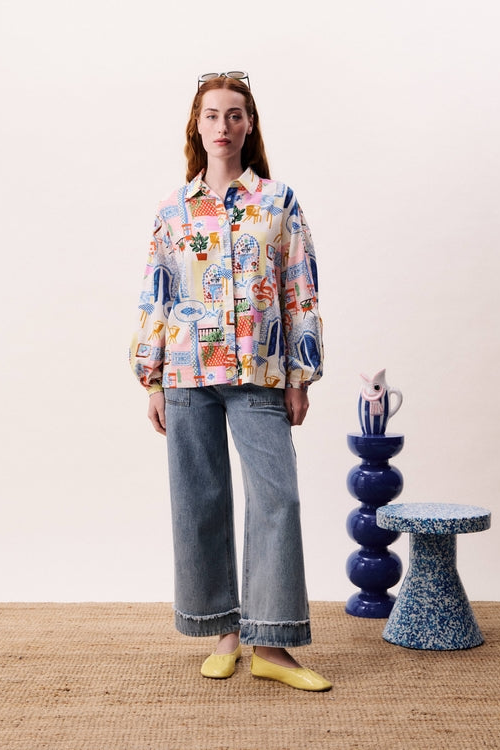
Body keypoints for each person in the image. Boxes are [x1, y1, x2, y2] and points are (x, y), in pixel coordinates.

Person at [130, 71, 330, 692]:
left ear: (249, 125)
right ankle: (224, 633)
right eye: (212, 115)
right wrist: (152, 380)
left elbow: (300, 289)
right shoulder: (173, 209)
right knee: (200, 500)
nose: (223, 126)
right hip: (187, 373)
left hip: (259, 372)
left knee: (276, 498)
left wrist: (300, 376)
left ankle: (271, 644)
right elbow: (156, 294)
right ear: (198, 125)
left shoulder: (278, 201)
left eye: (235, 115)